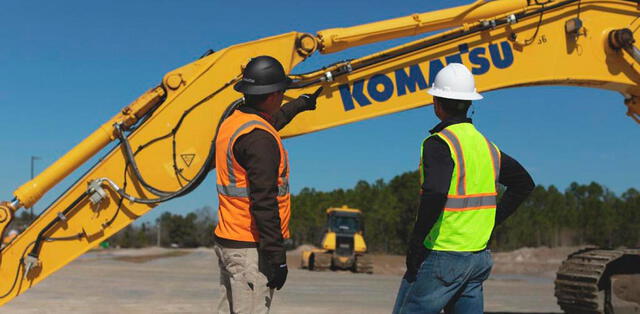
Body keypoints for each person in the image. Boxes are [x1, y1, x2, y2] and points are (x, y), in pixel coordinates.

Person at [393, 63, 535, 314]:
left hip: (443, 255)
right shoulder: (488, 148)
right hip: (477, 257)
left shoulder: (439, 143)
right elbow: (523, 184)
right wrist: (492, 221)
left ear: (437, 103)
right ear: (470, 103)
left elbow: (436, 193)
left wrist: (416, 243)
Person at [213, 55, 322, 314]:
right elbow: (264, 201)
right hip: (251, 247)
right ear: (272, 95)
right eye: (282, 93)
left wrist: (299, 105)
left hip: (230, 241)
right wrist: (276, 256)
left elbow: (269, 122)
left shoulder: (235, 123)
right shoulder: (260, 140)